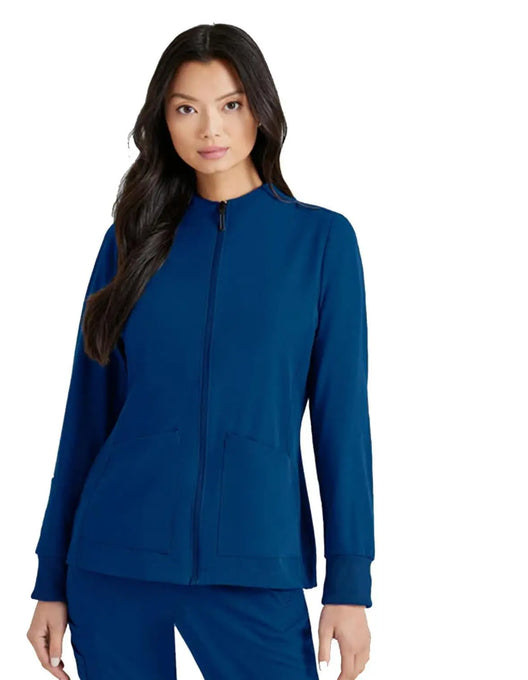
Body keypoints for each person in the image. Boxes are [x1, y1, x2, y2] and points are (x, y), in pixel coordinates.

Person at [26, 22, 375, 680]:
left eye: (230, 104)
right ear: (164, 120)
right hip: (112, 561)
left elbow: (342, 425)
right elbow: (86, 418)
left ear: (260, 110)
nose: (209, 129)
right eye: (186, 108)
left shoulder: (322, 244)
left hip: (254, 562)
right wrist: (50, 579)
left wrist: (349, 584)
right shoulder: (129, 242)